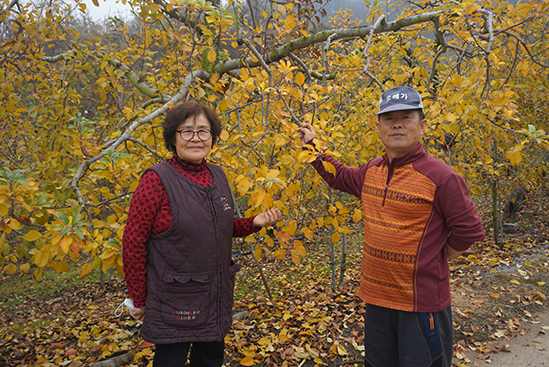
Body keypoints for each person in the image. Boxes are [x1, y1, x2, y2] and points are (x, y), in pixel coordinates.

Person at [299, 86, 484, 367]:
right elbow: (339, 176)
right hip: (377, 301)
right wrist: (313, 147)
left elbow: (469, 230)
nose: (397, 123)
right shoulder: (372, 171)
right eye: (389, 118)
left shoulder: (442, 177)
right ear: (379, 127)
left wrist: (437, 257)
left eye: (406, 116)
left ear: (421, 126)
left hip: (421, 305)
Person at [122, 100, 281, 367]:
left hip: (214, 297)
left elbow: (220, 229)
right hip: (175, 302)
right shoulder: (156, 180)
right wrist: (138, 297)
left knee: (209, 361)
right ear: (173, 137)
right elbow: (133, 242)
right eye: (187, 131)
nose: (196, 138)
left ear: (212, 137)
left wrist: (255, 223)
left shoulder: (217, 175)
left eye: (203, 131)